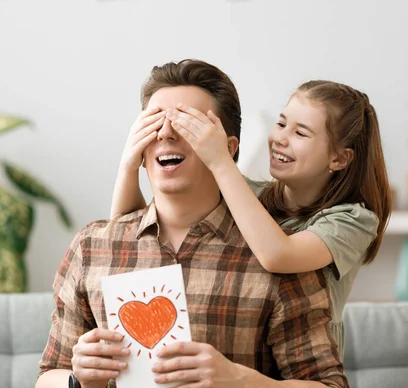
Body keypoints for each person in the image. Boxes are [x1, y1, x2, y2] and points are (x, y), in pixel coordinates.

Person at [35, 59, 349, 388]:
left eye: (187, 123)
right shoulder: (93, 248)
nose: (166, 134)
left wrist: (239, 381)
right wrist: (81, 383)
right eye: (154, 123)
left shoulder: (278, 254)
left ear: (227, 147)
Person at [111, 78, 391, 359]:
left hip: (303, 359)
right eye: (281, 124)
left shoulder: (353, 220)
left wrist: (220, 160)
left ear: (340, 159)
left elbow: (278, 255)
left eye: (300, 133)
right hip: (246, 347)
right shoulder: (247, 194)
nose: (280, 138)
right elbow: (128, 238)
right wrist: (128, 165)